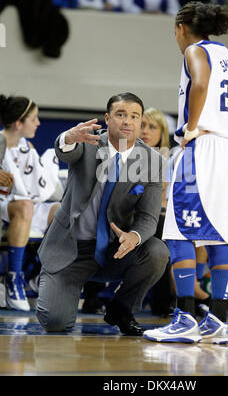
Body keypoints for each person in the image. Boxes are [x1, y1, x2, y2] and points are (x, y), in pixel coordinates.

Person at [143, 1, 228, 345]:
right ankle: (217, 318)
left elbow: (199, 84)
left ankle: (184, 317)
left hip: (204, 150)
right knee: (220, 236)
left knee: (178, 233)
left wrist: (192, 128)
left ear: (182, 28)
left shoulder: (195, 51)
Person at [36, 92, 169, 336]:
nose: (127, 121)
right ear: (108, 119)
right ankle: (58, 282)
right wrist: (67, 137)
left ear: (139, 122)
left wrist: (135, 237)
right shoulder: (87, 143)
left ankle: (121, 308)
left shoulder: (152, 160)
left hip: (115, 250)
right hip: (72, 250)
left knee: (156, 251)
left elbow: (148, 217)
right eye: (120, 115)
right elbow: (66, 151)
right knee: (55, 322)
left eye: (134, 116)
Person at [0, 95, 60, 312]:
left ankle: (38, 276)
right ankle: (13, 279)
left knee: (64, 211)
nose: (38, 123)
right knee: (25, 205)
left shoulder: (27, 147)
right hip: (5, 205)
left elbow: (38, 186)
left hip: (26, 205)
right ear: (18, 124)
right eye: (34, 119)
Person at [139, 107, 176, 316]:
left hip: (157, 214)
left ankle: (179, 299)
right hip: (132, 214)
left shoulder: (168, 159)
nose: (145, 131)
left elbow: (165, 195)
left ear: (162, 133)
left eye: (152, 126)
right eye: (142, 125)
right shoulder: (128, 154)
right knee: (161, 232)